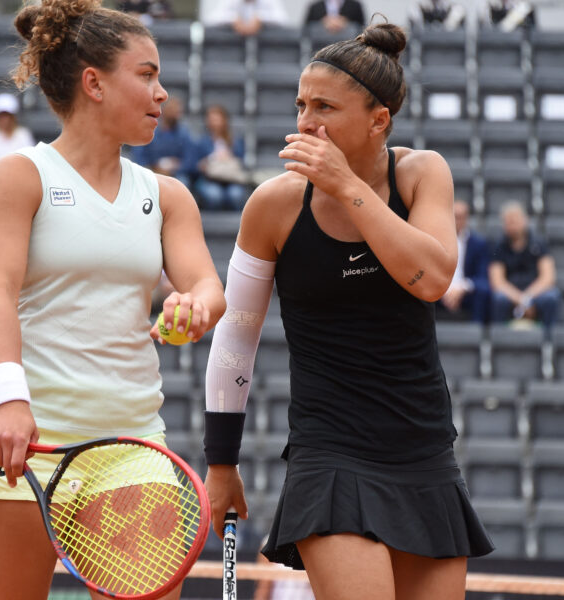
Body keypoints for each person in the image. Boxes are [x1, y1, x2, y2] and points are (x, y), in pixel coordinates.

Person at [0, 1, 226, 599]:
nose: (162, 92)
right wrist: (10, 399)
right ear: (94, 82)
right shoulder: (20, 177)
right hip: (22, 438)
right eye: (146, 75)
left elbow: (208, 288)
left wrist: (192, 307)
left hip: (130, 445)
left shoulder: (167, 196)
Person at [202, 22, 494, 600]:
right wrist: (221, 462)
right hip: (328, 452)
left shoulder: (421, 173)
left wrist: (346, 187)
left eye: (325, 107)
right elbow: (236, 338)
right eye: (302, 105)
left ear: (378, 120)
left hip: (423, 450)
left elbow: (432, 278)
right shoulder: (274, 205)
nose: (306, 122)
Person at [489, 201, 561, 329]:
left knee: (552, 297)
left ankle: (549, 341)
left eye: (515, 221)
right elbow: (497, 282)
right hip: (510, 294)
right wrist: (520, 299)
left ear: (525, 220)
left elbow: (548, 278)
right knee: (498, 299)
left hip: (536, 293)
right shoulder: (498, 247)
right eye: (508, 222)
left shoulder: (539, 244)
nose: (512, 225)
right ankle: (498, 341)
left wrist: (527, 298)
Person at [437, 200, 490, 323]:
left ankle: (476, 335)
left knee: (483, 291)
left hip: (466, 291)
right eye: (455, 216)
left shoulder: (478, 244)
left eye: (461, 217)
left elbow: (482, 276)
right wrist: (447, 290)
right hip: (440, 290)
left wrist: (462, 288)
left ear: (467, 218)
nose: (457, 221)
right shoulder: (437, 240)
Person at [130, 94, 194, 187]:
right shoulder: (148, 130)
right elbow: (139, 158)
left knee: (183, 183)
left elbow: (190, 161)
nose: (176, 113)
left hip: (176, 174)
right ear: (163, 110)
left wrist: (175, 168)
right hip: (151, 172)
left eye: (178, 111)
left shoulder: (184, 133)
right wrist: (155, 168)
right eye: (173, 109)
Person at [193, 104, 248, 210]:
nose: (215, 123)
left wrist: (228, 156)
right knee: (214, 195)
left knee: (235, 194)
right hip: (209, 179)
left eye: (217, 119)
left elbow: (242, 162)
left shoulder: (235, 141)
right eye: (212, 119)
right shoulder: (202, 141)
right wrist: (209, 160)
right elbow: (194, 165)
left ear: (224, 121)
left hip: (231, 179)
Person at [203, 0, 288, 37]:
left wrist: (261, 18)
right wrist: (233, 19)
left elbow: (283, 19)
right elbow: (211, 19)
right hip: (234, 52)